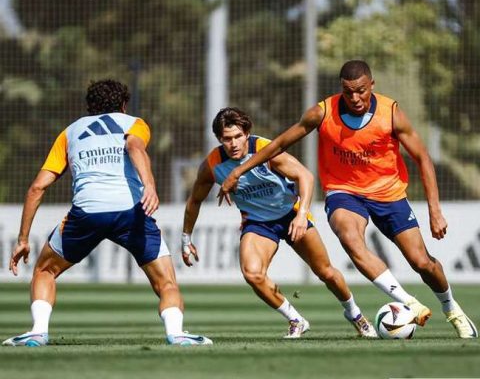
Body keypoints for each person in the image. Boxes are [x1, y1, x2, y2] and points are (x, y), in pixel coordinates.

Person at [218, 60, 478, 339]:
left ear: (372, 86)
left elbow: (423, 158)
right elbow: (279, 143)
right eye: (348, 91)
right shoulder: (323, 112)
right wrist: (239, 171)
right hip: (344, 192)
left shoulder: (391, 113)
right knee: (351, 239)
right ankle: (410, 302)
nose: (354, 98)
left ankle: (452, 310)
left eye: (361, 91)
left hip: (389, 194)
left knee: (422, 263)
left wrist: (434, 210)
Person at [3, 79, 212, 347]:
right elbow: (134, 147)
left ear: (90, 107)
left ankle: (38, 331)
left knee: (44, 270)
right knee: (166, 282)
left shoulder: (69, 133)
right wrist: (149, 185)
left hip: (87, 213)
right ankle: (177, 334)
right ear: (124, 105)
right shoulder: (135, 123)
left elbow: (37, 187)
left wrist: (23, 239)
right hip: (132, 213)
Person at [181, 107, 377, 338]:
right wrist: (186, 238)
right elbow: (194, 201)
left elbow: (305, 176)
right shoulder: (213, 165)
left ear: (247, 133)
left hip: (290, 214)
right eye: (227, 139)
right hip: (258, 223)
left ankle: (355, 314)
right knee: (252, 274)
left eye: (238, 136)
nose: (233, 143)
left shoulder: (266, 150)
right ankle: (296, 319)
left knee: (326, 272)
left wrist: (302, 214)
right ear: (219, 139)